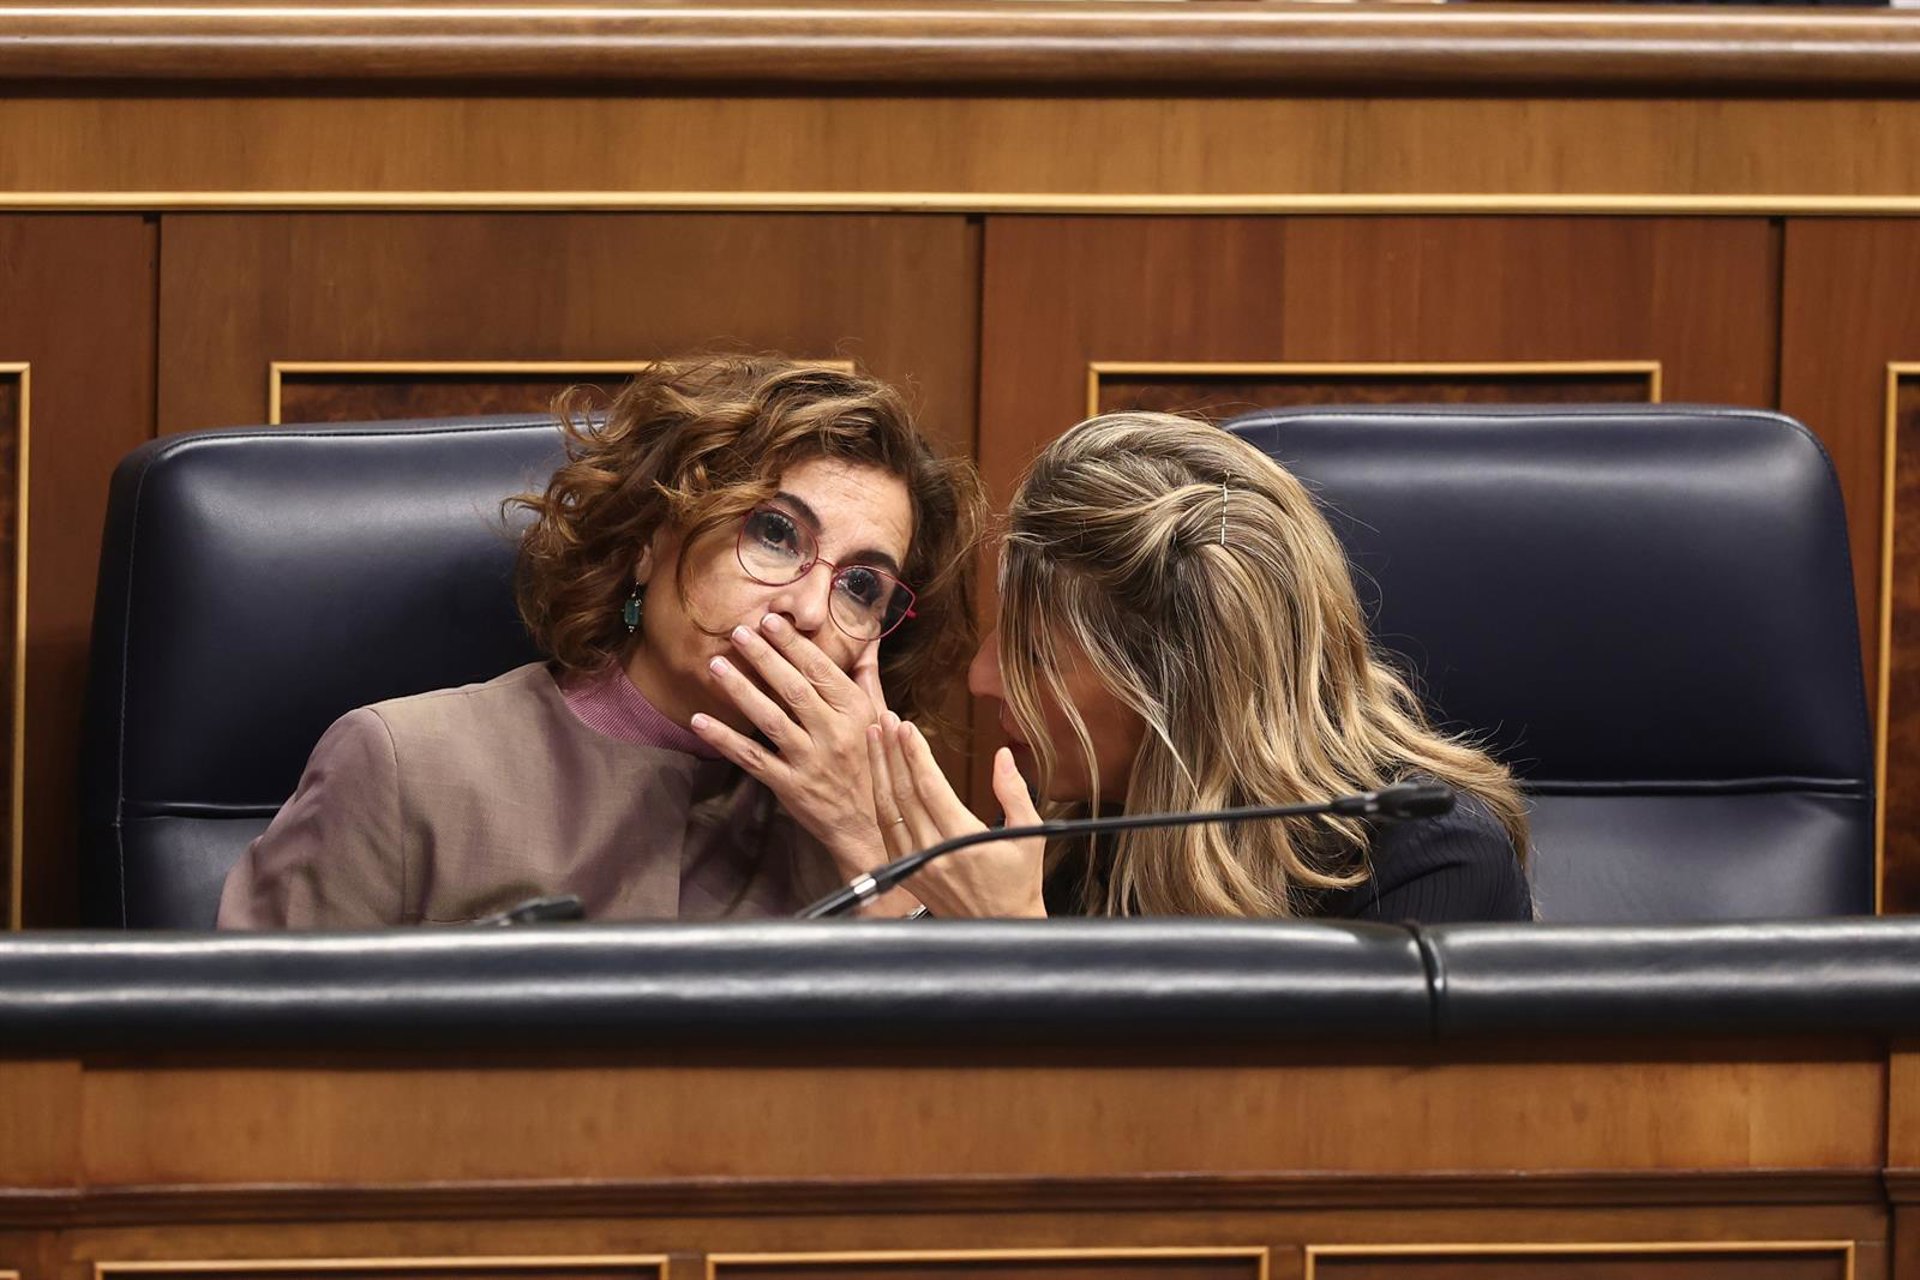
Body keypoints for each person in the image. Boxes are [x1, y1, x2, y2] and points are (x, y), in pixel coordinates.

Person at [217, 356, 983, 927]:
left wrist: (866, 842)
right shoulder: (403, 766)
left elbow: (939, 1089)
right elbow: (242, 1068)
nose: (812, 608)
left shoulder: (874, 826)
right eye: (776, 534)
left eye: (861, 586)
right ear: (649, 538)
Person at [850, 412, 1532, 922]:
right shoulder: (1076, 828)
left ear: (1173, 694)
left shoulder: (1430, 863)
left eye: (1036, 654)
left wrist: (1012, 942)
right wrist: (863, 837)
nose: (980, 678)